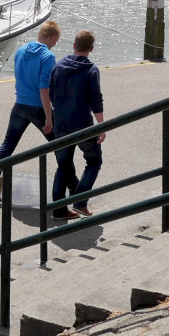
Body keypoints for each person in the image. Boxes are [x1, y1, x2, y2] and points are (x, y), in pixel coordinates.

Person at [0, 21, 61, 202]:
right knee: (60, 145)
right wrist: (49, 118)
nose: (55, 44)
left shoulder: (20, 51)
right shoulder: (48, 56)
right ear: (52, 37)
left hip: (19, 105)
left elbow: (20, 76)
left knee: (6, 147)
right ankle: (73, 191)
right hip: (38, 107)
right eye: (56, 41)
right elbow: (44, 89)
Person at [49, 30, 105, 219]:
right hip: (82, 125)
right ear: (91, 49)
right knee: (94, 161)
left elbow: (50, 93)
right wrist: (101, 126)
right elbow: (96, 100)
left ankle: (58, 209)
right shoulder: (91, 70)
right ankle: (80, 201)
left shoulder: (58, 67)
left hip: (61, 124)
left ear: (74, 46)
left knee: (63, 166)